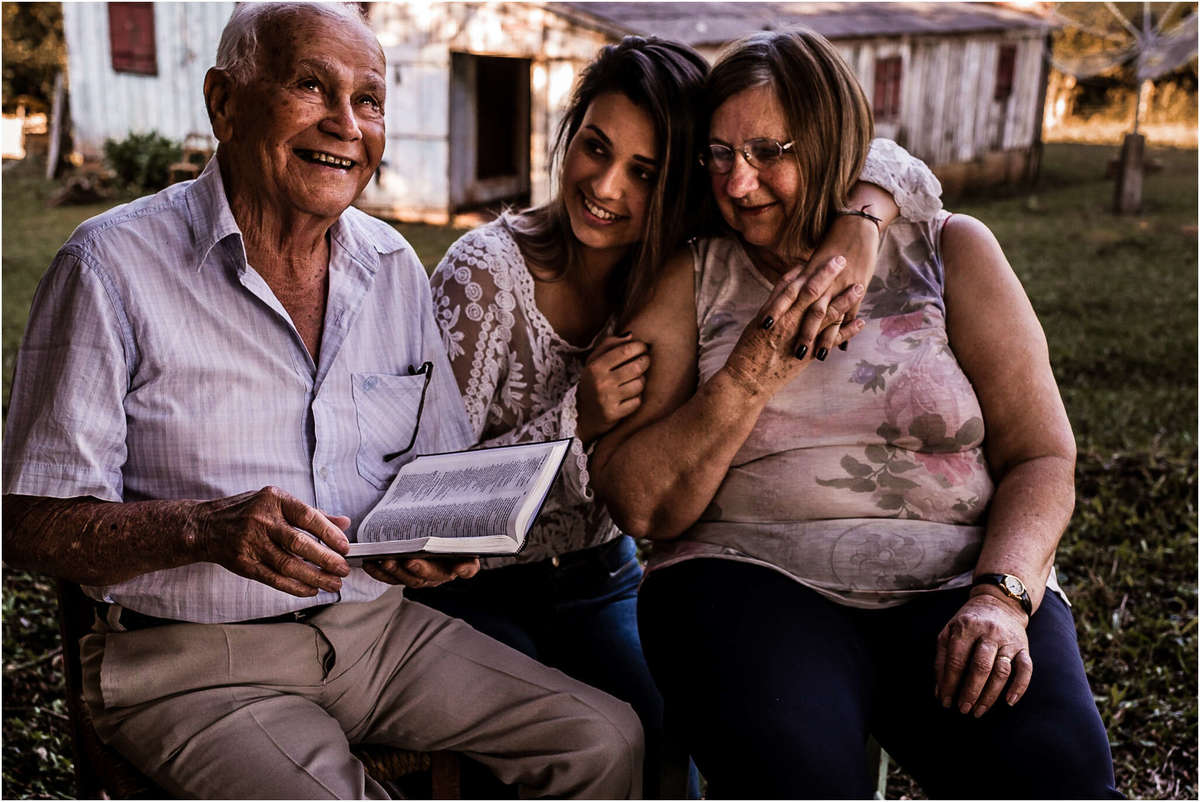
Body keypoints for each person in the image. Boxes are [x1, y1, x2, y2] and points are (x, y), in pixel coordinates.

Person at [1, 4, 644, 798]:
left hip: (377, 634)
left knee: (603, 740)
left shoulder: (393, 265)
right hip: (195, 664)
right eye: (310, 86)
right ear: (224, 102)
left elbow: (434, 472)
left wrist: (435, 540)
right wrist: (204, 528)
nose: (346, 124)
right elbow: (23, 524)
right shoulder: (109, 266)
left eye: (368, 100)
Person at [407, 33, 944, 798]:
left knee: (670, 734)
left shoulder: (689, 270)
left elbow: (889, 158)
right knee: (557, 746)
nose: (605, 186)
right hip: (473, 589)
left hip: (599, 576)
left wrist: (860, 221)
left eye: (644, 172)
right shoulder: (486, 277)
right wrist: (576, 421)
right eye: (594, 148)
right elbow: (430, 496)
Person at [590, 29, 1121, 799]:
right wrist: (752, 369)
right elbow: (640, 502)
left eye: (770, 152)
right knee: (796, 774)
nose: (738, 185)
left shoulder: (947, 250)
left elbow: (1041, 456)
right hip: (750, 575)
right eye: (719, 155)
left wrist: (1001, 597)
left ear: (835, 142)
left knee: (1058, 774)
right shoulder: (694, 274)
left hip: (957, 578)